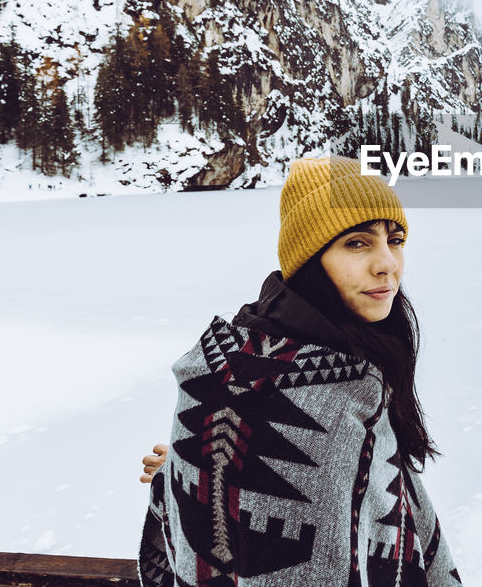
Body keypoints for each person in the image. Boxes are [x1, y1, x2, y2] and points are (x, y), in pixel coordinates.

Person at [136, 155, 463, 587]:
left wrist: (190, 472)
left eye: (395, 239)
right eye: (357, 243)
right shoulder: (320, 398)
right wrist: (189, 468)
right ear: (310, 259)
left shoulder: (344, 366)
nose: (388, 264)